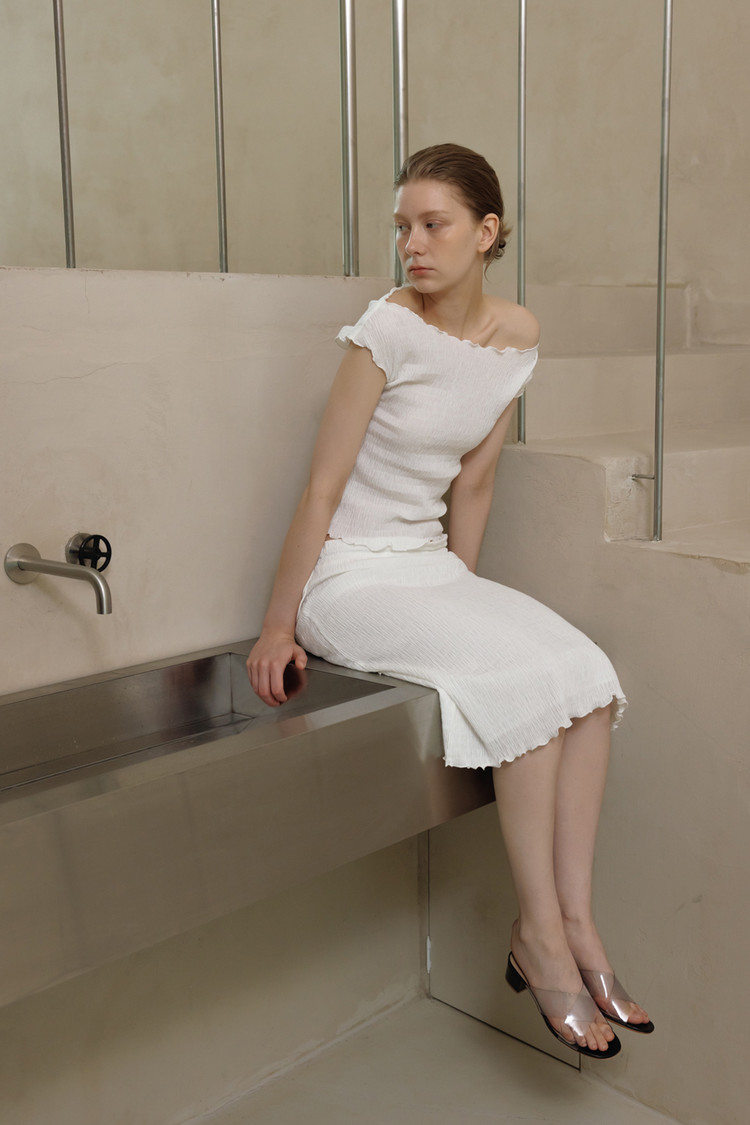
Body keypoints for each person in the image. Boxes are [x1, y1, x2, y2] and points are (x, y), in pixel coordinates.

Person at [247, 143, 653, 1059]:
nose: (413, 245)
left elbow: (473, 483)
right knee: (521, 688)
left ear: (486, 231)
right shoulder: (385, 329)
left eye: (433, 225)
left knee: (587, 676)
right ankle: (537, 937)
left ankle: (578, 923)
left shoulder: (517, 335)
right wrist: (278, 623)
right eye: (403, 227)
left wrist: (462, 595)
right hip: (349, 576)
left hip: (427, 568)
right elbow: (322, 488)